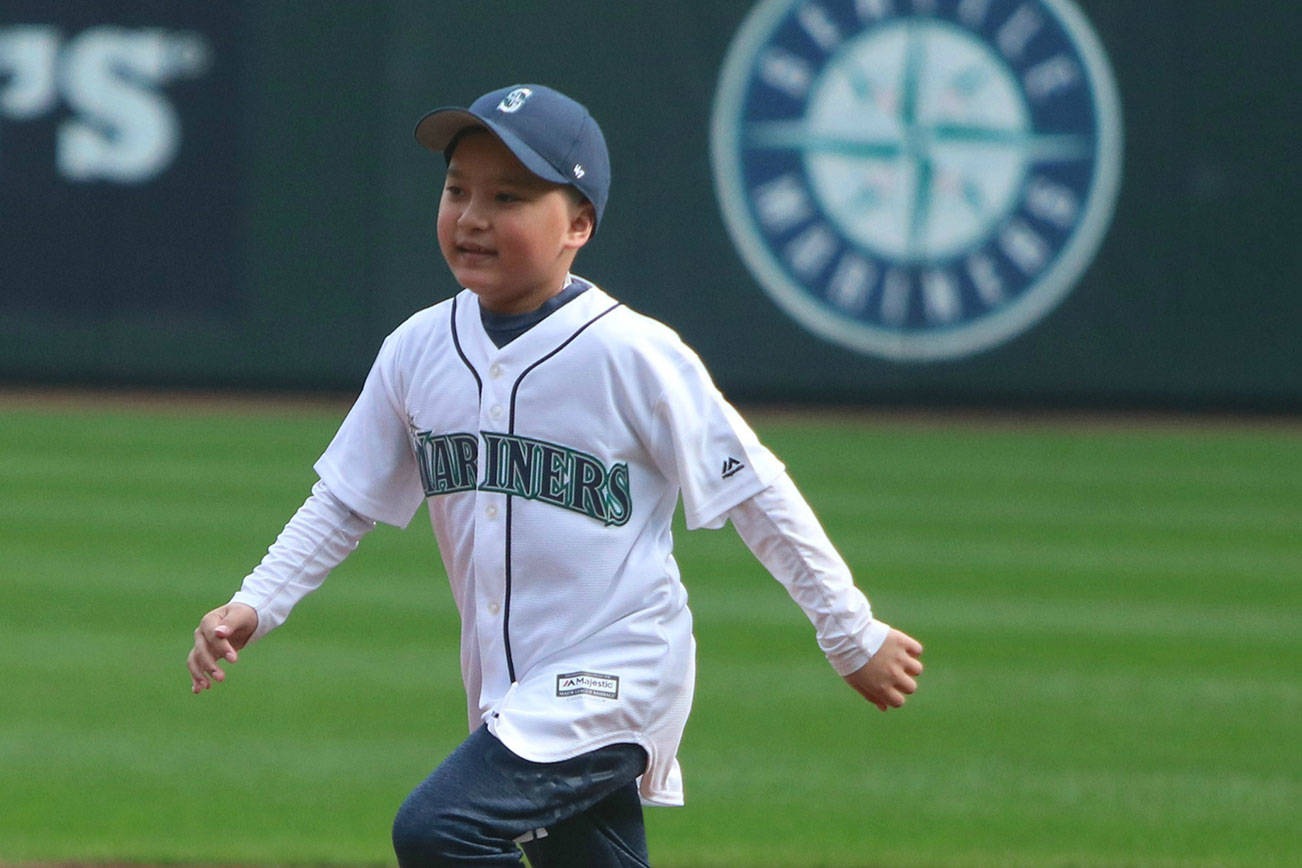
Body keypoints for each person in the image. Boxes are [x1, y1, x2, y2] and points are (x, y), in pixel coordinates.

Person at [186, 83, 923, 868]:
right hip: (514, 686)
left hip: (619, 671)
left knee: (441, 829)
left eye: (508, 196)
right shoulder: (416, 349)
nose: (472, 216)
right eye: (457, 190)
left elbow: (755, 491)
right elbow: (343, 500)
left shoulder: (633, 353)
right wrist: (256, 602)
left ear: (577, 225)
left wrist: (849, 633)